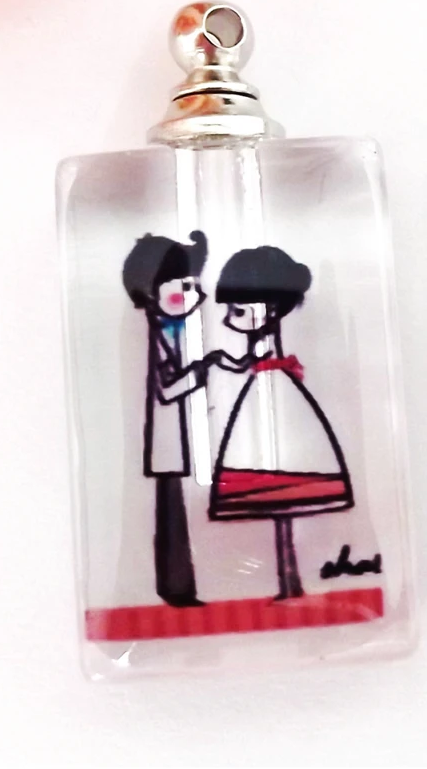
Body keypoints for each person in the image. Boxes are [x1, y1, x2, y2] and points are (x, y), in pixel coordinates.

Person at [206, 246, 353, 600]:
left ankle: (291, 582)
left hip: (275, 393)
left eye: (238, 311)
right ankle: (288, 581)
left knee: (281, 487)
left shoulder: (270, 349)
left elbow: (256, 359)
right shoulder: (260, 349)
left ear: (269, 309)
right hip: (265, 391)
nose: (228, 320)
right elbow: (244, 361)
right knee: (275, 497)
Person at [122, 230, 208, 607]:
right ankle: (177, 588)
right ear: (152, 292)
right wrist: (198, 375)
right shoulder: (160, 336)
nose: (195, 295)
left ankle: (178, 587)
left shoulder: (169, 333)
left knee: (173, 513)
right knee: (171, 516)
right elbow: (166, 390)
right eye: (185, 286)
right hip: (166, 442)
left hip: (171, 442)